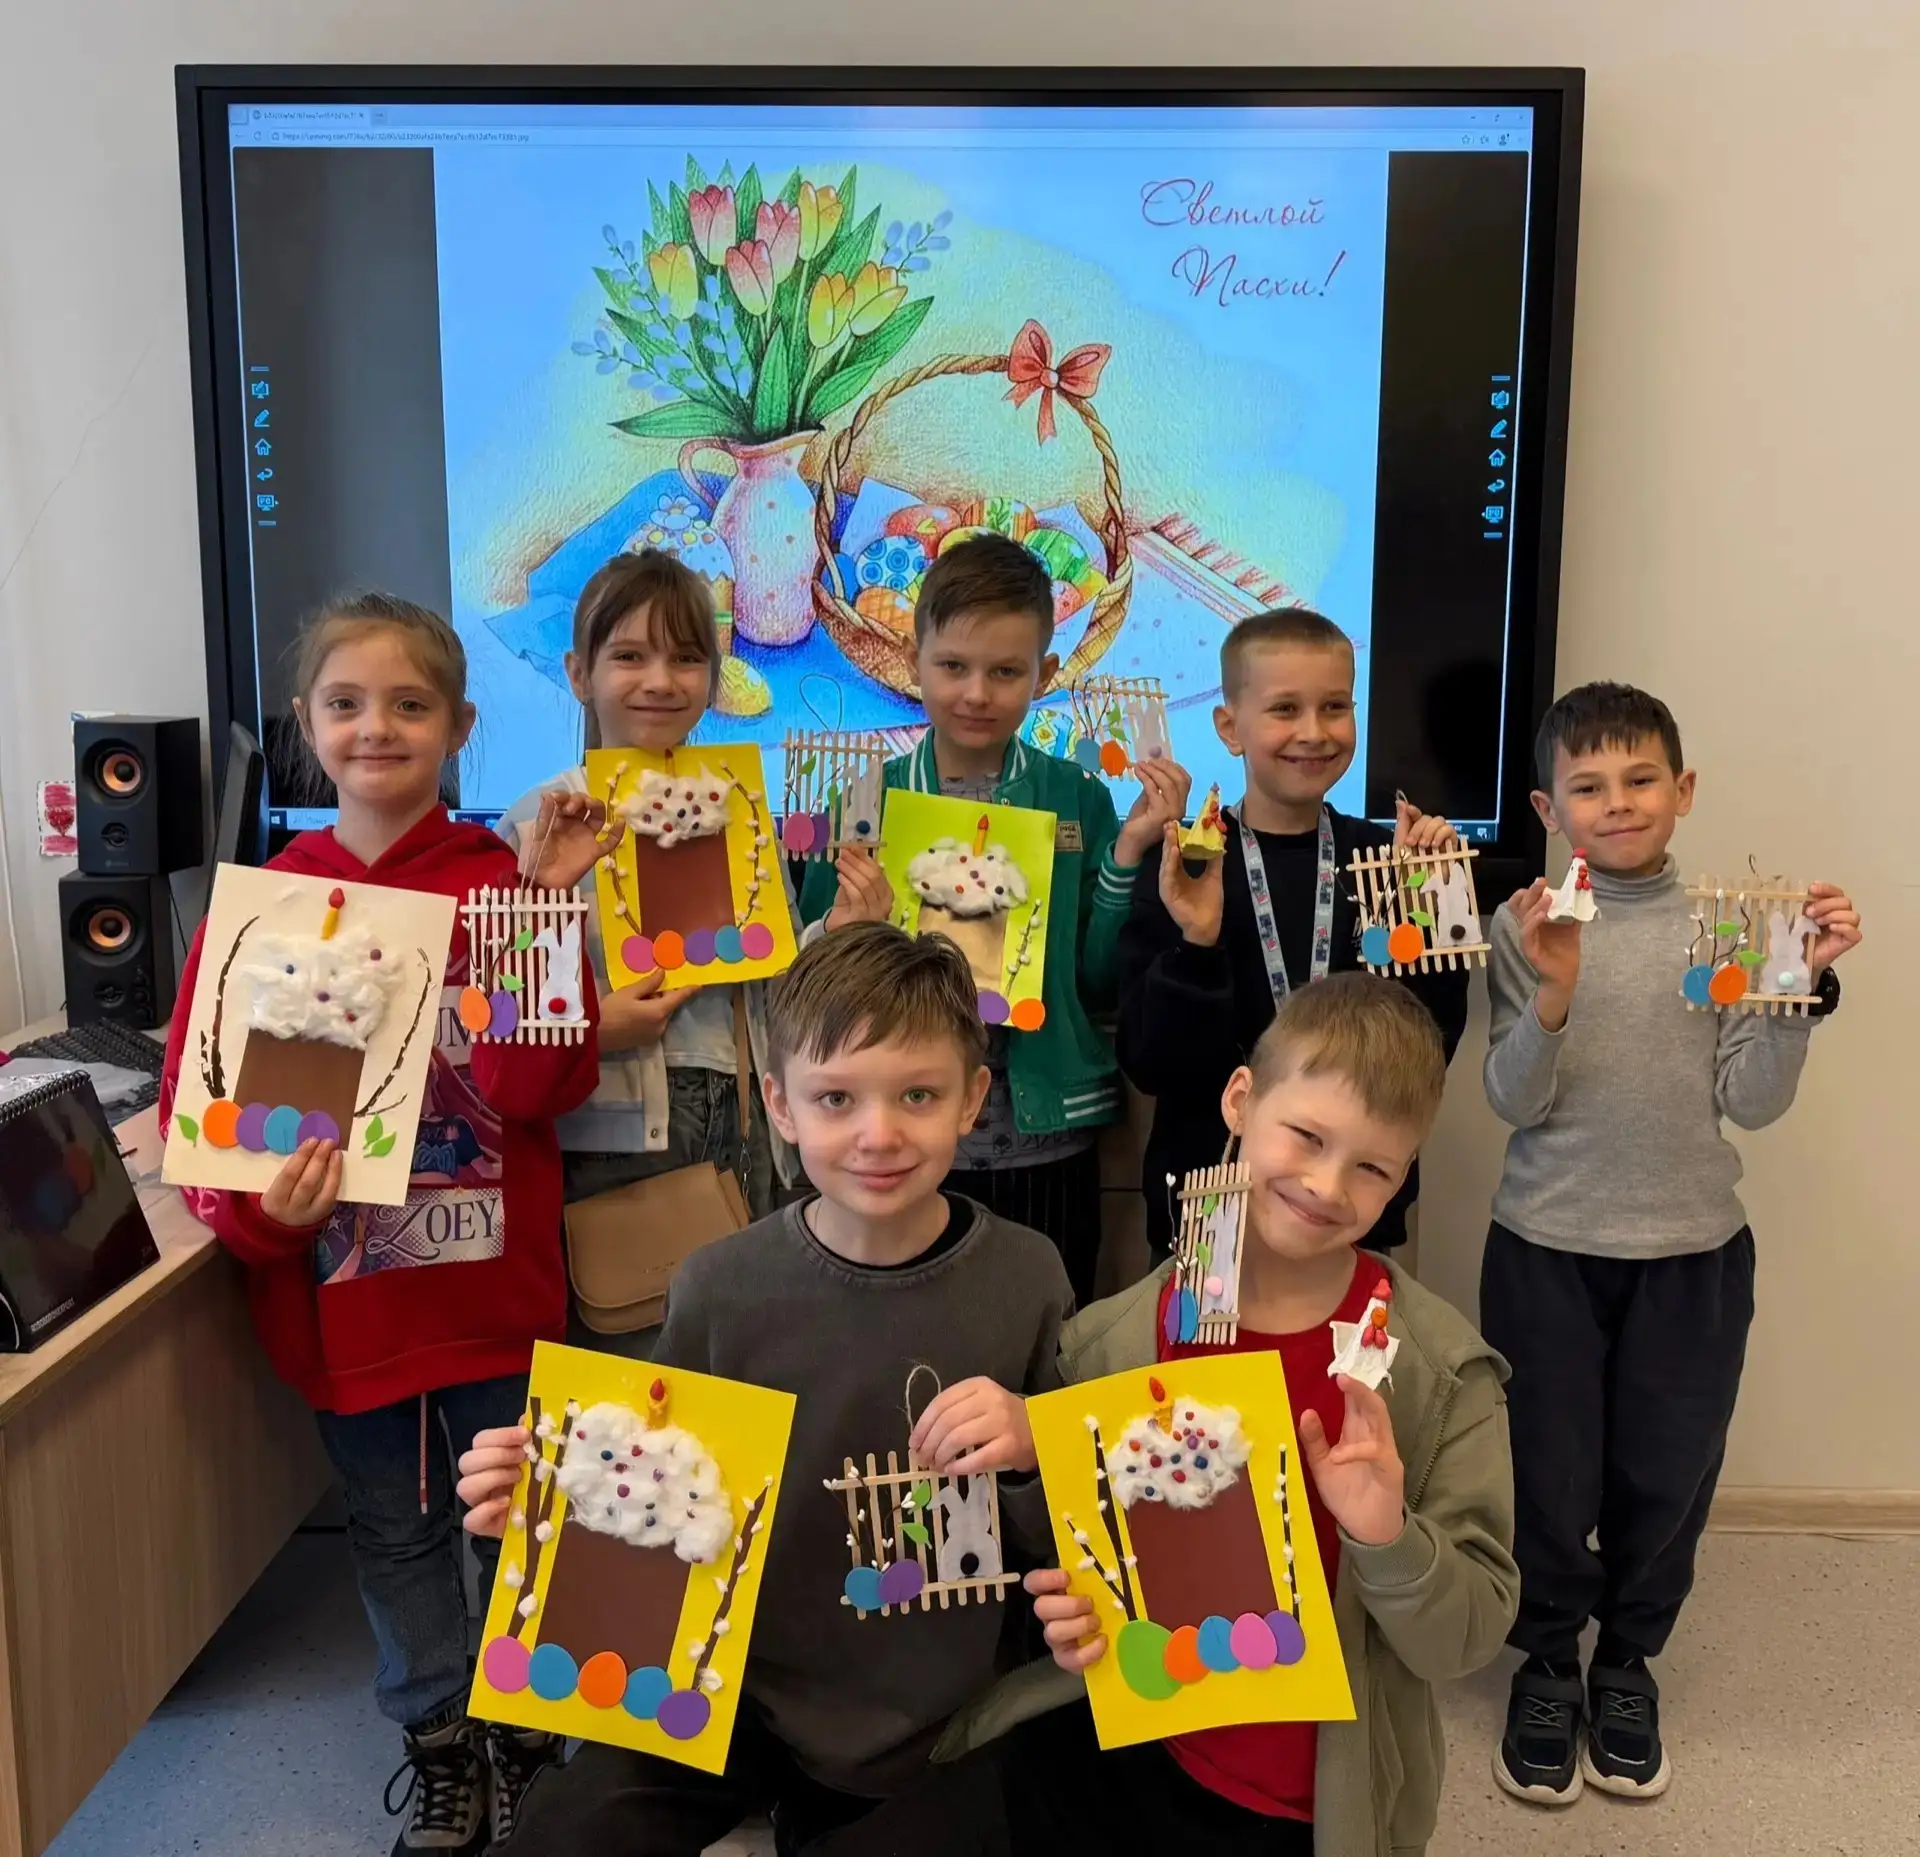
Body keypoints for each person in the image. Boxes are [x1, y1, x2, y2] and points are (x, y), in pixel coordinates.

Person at [456, 923, 1074, 1855]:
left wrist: (1033, 1443)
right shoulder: (719, 1286)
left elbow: (1067, 1537)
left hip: (951, 1720)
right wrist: (548, 1516)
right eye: (837, 1098)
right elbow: (658, 1505)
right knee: (565, 1836)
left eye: (918, 1094)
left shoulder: (1027, 1276)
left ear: (972, 1098)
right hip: (740, 1692)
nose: (879, 1134)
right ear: (781, 1105)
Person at [158, 593, 613, 1855]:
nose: (378, 728)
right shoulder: (269, 905)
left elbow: (539, 1088)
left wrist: (545, 911)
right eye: (347, 704)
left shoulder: (499, 881)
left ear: (460, 726)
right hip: (350, 1307)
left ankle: (529, 1736)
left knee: (519, 1522)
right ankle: (439, 1739)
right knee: (391, 1533)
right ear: (306, 724)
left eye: (411, 704)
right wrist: (262, 1220)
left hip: (492, 1298)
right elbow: (206, 1116)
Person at [938, 973, 1518, 1857]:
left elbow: (1466, 1636)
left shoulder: (1440, 1379)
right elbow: (1078, 1554)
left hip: (1301, 1804)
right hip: (1131, 1740)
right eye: (1307, 1136)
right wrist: (1037, 1453)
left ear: (1403, 1176)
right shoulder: (1121, 1334)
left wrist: (1388, 1535)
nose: (1326, 1184)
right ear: (1240, 1101)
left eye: (1371, 1167)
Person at [1482, 682, 1862, 1807]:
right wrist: (1554, 993)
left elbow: (1753, 1103)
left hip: (1694, 1255)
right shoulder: (1525, 921)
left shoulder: (1736, 921)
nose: (1618, 802)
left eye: (1641, 778)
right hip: (1546, 1247)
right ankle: (1549, 1660)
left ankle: (1628, 1660)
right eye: (1588, 785)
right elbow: (1512, 1099)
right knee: (1548, 1471)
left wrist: (1794, 985)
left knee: (1668, 1471)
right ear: (1549, 807)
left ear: (1683, 789)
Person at [799, 533, 1190, 1302]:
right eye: (953, 667)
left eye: (1006, 671)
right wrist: (849, 932)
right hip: (899, 1140)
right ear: (911, 661)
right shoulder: (863, 799)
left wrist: (1127, 854)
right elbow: (812, 995)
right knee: (906, 1332)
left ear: (1045, 673)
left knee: (1046, 1331)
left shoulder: (1077, 795)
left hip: (1042, 1137)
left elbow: (1098, 980)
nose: (977, 693)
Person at [496, 553, 797, 1326]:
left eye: (687, 658)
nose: (660, 681)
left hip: (742, 1120)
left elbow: (778, 976)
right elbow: (500, 1017)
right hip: (612, 1135)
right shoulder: (538, 820)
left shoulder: (742, 807)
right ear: (578, 673)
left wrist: (841, 928)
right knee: (623, 1349)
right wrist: (591, 1023)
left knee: (740, 1353)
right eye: (629, 656)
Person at [1117, 607, 1470, 1260]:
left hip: (1348, 1207)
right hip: (1208, 1205)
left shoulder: (1387, 861)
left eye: (1335, 707)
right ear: (1230, 728)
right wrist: (1197, 943)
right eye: (1285, 708)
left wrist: (1429, 908)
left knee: (1347, 1332)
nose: (1314, 731)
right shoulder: (1185, 861)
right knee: (1206, 1336)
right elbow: (1150, 1064)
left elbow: (1430, 1049)